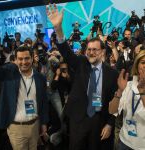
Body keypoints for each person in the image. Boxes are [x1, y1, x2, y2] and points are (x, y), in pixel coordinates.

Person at [46, 4, 118, 150]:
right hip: (78, 120)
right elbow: (66, 51)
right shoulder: (81, 63)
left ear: (103, 51)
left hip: (99, 121)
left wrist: (110, 124)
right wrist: (58, 29)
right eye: (88, 49)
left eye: (95, 49)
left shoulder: (112, 74)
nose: (91, 52)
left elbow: (114, 101)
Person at [0, 46, 49, 150]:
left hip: (35, 126)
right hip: (16, 128)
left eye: (27, 58)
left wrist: (43, 123)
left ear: (32, 58)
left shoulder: (40, 78)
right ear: (15, 60)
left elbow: (43, 102)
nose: (24, 62)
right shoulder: (9, 74)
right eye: (20, 59)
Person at [109, 50, 145, 150]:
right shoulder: (128, 85)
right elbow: (112, 110)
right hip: (124, 142)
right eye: (143, 62)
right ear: (137, 66)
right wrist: (120, 91)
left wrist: (142, 92)